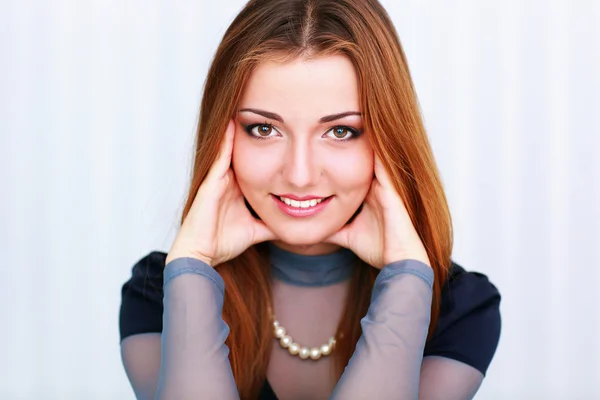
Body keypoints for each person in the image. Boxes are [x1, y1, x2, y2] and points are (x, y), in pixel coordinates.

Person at [118, 0, 501, 399]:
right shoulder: (160, 295)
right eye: (264, 129)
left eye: (340, 132)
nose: (300, 175)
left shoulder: (457, 309)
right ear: (223, 136)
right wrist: (193, 266)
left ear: (389, 139)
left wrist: (406, 283)